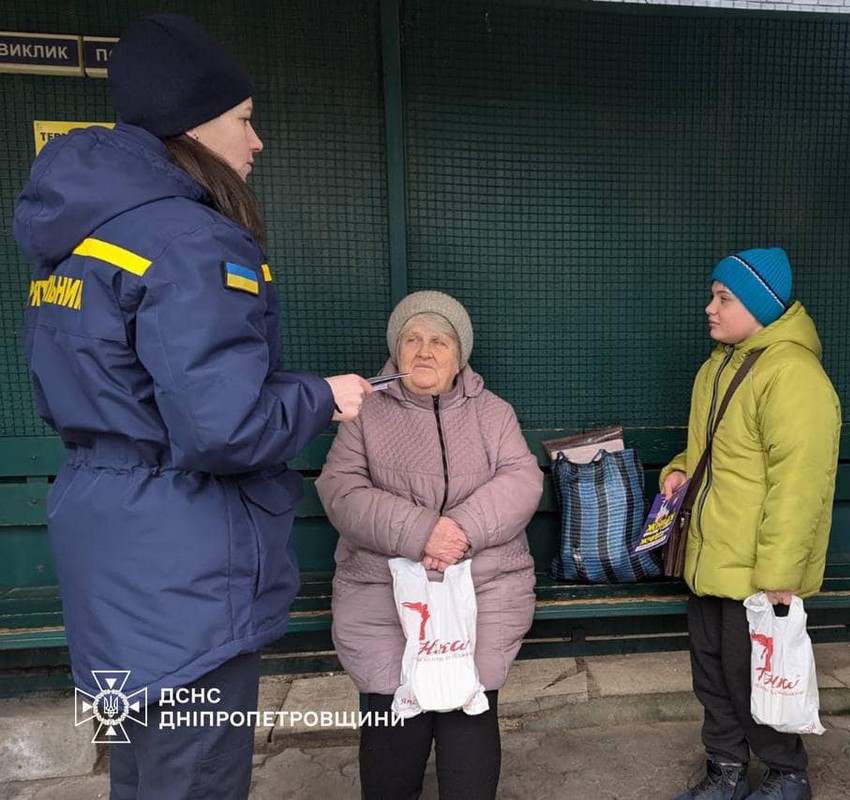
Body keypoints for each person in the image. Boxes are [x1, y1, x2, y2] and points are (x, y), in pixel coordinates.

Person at [12, 12, 371, 799]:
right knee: (197, 777)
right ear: (193, 124)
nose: (257, 142)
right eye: (244, 119)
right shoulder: (192, 239)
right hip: (186, 567)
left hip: (114, 548)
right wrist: (323, 395)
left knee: (147, 772)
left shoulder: (82, 237)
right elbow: (225, 427)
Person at [316, 290, 542, 800]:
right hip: (383, 591)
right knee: (393, 735)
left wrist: (456, 531)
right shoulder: (366, 414)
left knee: (470, 723)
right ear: (395, 351)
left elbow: (522, 481)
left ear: (459, 354)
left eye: (439, 341)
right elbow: (341, 490)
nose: (424, 351)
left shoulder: (493, 412)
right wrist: (420, 533)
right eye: (412, 339)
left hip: (483, 588)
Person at [664, 248, 841, 800]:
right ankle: (726, 770)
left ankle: (787, 775)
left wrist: (780, 573)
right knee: (712, 676)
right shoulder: (717, 366)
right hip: (711, 559)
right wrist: (677, 473)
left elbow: (800, 485)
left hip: (759, 575)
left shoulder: (793, 374)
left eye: (724, 298)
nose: (710, 308)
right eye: (713, 295)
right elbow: (710, 455)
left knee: (756, 680)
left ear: (762, 306)